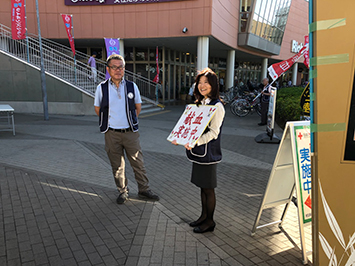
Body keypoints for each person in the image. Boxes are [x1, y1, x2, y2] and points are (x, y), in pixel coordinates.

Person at [94, 54, 159, 204]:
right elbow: (98, 109)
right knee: (117, 166)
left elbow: (138, 107)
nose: (118, 70)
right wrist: (111, 122)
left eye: (121, 67)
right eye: (114, 67)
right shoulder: (101, 88)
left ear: (124, 69)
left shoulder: (131, 86)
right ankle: (123, 191)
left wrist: (128, 121)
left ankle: (144, 190)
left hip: (130, 133)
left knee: (138, 163)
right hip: (111, 134)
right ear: (108, 69)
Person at [173, 68, 225, 234]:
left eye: (206, 83)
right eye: (200, 82)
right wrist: (180, 137)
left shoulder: (217, 106)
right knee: (202, 187)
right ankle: (203, 216)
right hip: (198, 153)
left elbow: (214, 133)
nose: (202, 86)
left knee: (209, 189)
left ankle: (210, 221)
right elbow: (190, 127)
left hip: (208, 154)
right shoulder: (199, 103)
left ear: (213, 85)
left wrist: (195, 142)